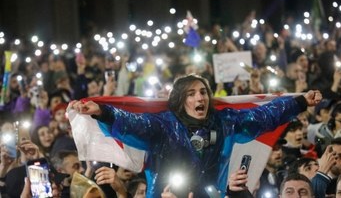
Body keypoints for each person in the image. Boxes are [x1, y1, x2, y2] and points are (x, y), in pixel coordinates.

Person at [68, 74, 322, 197]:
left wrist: (299, 102)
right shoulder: (164, 125)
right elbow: (133, 123)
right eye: (191, 93)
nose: (199, 97)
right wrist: (102, 111)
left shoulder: (224, 121)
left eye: (202, 92)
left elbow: (263, 116)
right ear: (180, 100)